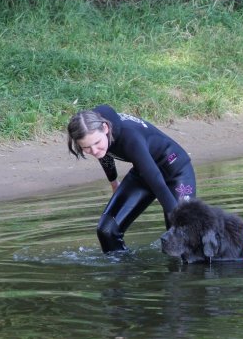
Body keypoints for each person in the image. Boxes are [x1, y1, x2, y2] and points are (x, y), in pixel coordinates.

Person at [67, 104, 196, 253]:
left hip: (176, 171)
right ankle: (123, 272)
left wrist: (177, 216)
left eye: (96, 143)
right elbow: (104, 153)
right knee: (107, 230)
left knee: (178, 235)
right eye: (87, 147)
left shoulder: (130, 138)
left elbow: (155, 179)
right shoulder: (91, 124)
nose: (94, 151)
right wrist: (114, 182)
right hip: (143, 170)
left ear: (106, 128)